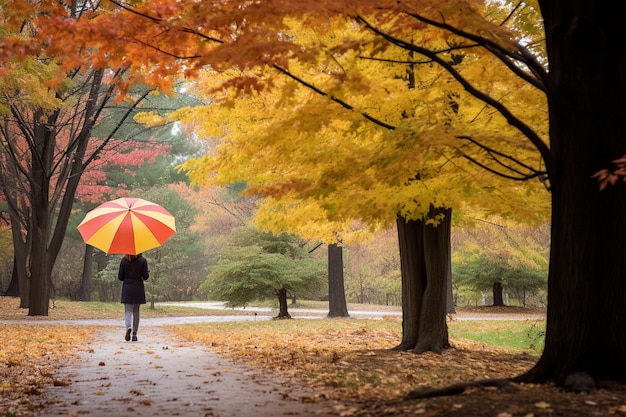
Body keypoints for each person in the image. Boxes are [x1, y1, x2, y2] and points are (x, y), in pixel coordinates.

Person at [118, 253, 149, 342]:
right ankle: (134, 334)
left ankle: (128, 327)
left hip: (127, 288)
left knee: (128, 311)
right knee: (136, 312)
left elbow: (120, 277)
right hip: (138, 288)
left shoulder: (124, 260)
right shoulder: (142, 261)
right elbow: (145, 277)